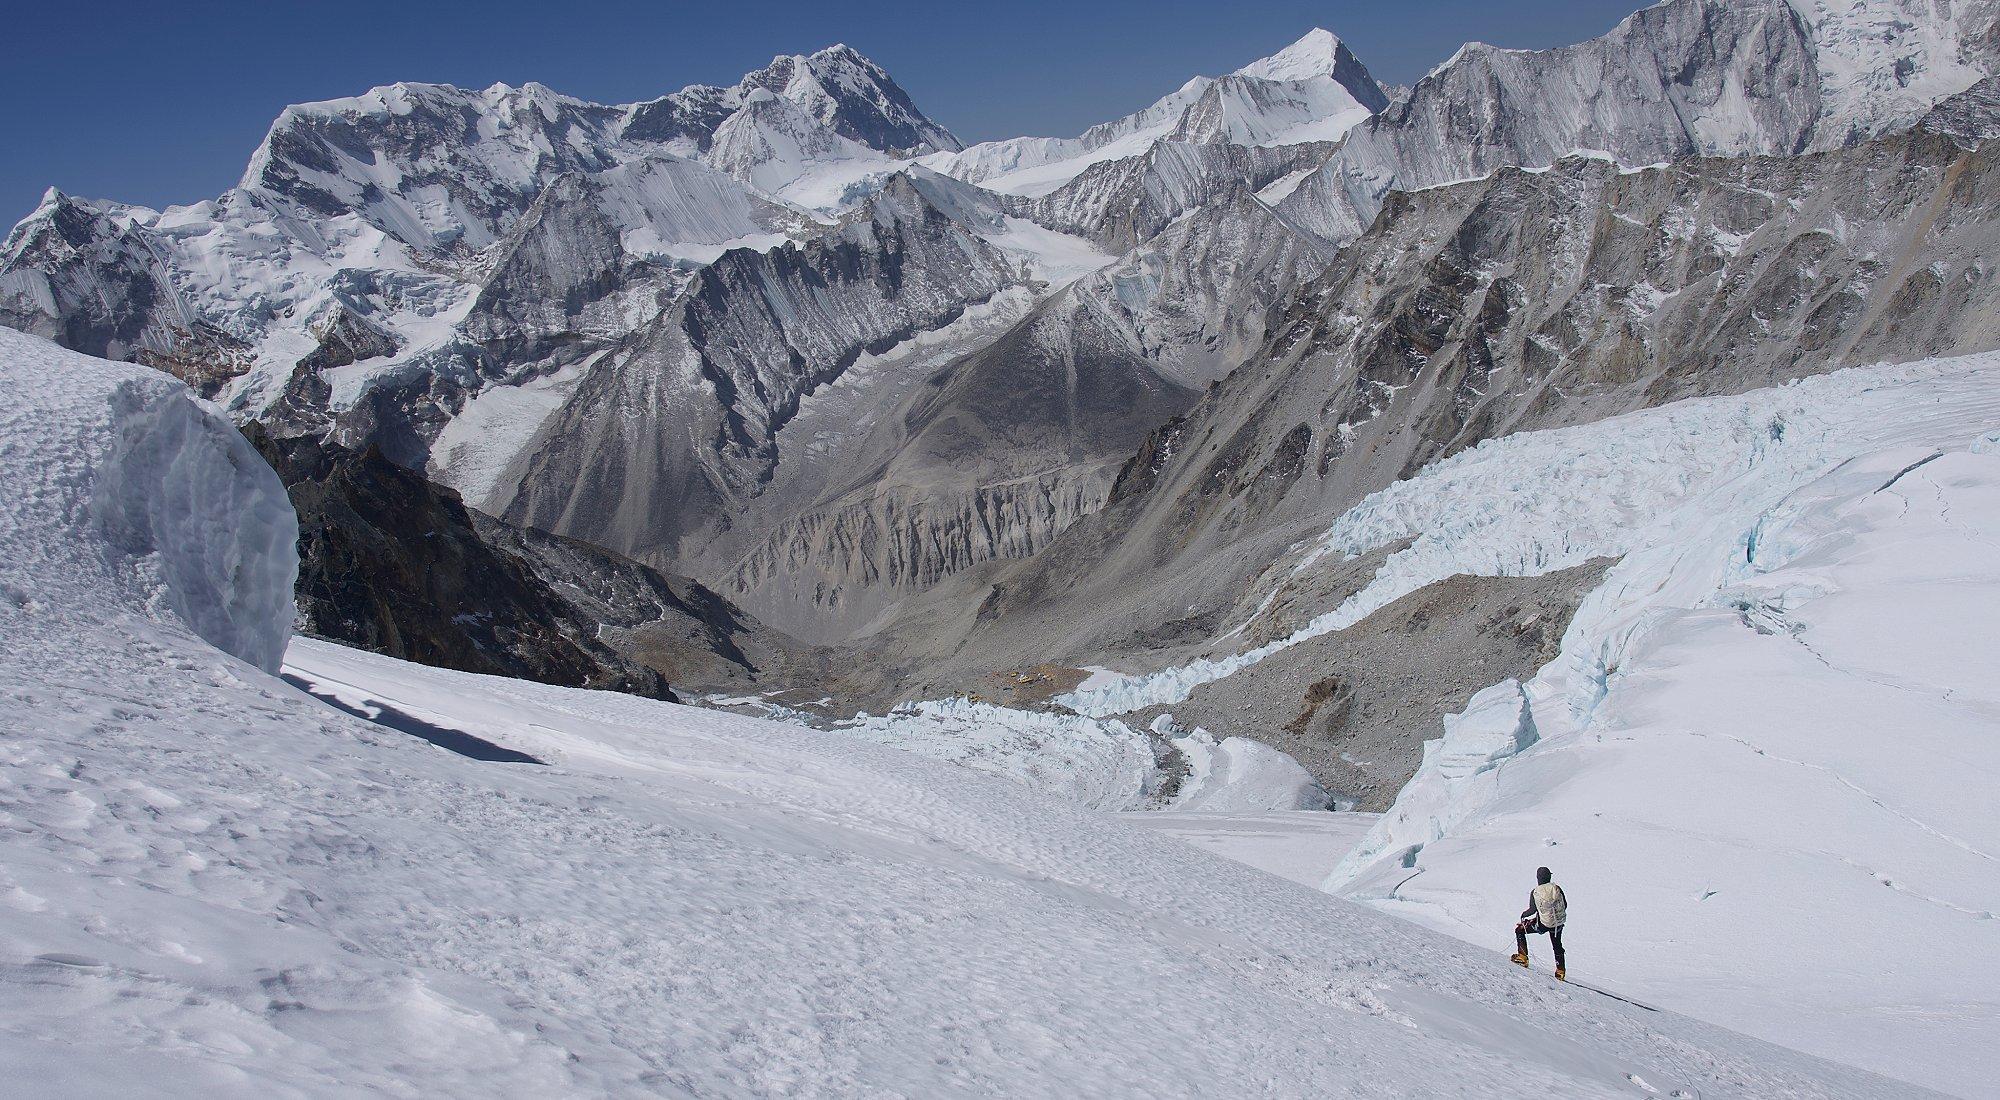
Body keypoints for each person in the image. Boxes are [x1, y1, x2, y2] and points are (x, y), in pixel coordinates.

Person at [1510, 866, 1567, 980]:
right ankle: (1560, 972)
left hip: (1543, 923)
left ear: (1538, 878)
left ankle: (1522, 957)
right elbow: (1565, 904)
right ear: (1549, 877)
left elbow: (1532, 910)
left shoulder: (1535, 892)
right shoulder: (1557, 888)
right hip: (1558, 923)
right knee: (1557, 945)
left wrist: (1523, 915)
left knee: (1520, 930)